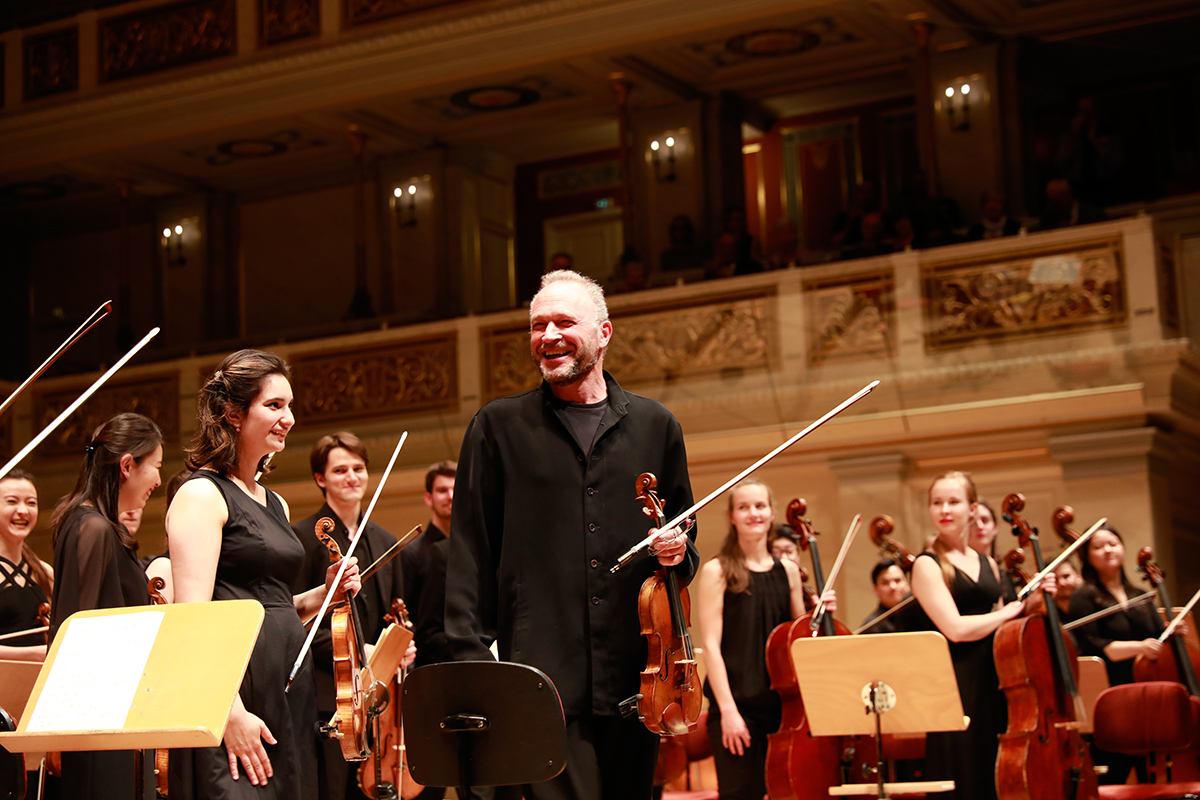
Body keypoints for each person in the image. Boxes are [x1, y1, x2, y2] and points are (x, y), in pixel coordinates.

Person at [445, 269, 697, 800]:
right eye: (539, 325)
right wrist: (475, 668)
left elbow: (685, 546)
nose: (548, 335)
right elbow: (470, 555)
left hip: (639, 680)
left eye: (564, 322)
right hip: (541, 683)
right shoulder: (497, 427)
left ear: (603, 334)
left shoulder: (657, 427)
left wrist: (677, 553)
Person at [168, 349, 360, 800]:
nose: (289, 417)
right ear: (234, 414)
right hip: (234, 692)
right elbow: (189, 618)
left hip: (287, 691)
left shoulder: (275, 503)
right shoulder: (202, 494)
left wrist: (323, 594)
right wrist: (226, 710)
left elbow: (272, 604)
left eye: (289, 406)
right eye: (274, 405)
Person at [909, 471, 1053, 800]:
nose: (944, 509)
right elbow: (956, 629)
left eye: (954, 502)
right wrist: (1009, 610)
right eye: (937, 502)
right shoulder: (927, 565)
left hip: (998, 681)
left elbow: (1005, 630)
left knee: (997, 776)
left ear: (972, 509)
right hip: (956, 685)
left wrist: (1033, 603)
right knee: (963, 776)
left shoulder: (988, 563)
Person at [291, 431, 414, 800]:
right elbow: (300, 623)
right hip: (328, 692)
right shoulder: (301, 538)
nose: (352, 477)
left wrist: (401, 646)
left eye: (358, 468)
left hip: (376, 696)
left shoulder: (385, 539)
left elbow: (395, 611)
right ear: (320, 479)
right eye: (340, 469)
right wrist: (362, 649)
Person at [49, 412, 164, 800]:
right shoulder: (92, 527)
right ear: (128, 465)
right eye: (156, 467)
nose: (159, 480)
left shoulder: (93, 523)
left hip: (110, 713)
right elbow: (76, 636)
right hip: (99, 719)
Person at [696, 479, 808, 800]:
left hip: (782, 711)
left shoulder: (787, 571)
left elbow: (796, 637)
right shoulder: (718, 570)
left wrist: (820, 612)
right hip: (737, 709)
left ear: (772, 513)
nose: (753, 513)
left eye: (760, 506)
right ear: (731, 516)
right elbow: (712, 647)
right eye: (743, 507)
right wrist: (729, 711)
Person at [1069, 524, 1163, 783]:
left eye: (1113, 543)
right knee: (1115, 774)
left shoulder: (1140, 596)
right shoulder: (1084, 597)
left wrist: (1173, 635)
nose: (1107, 550)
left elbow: (1158, 637)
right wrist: (1141, 647)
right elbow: (1095, 647)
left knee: (1152, 773)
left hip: (1146, 692)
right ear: (1087, 556)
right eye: (1098, 547)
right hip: (1111, 695)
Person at [0, 469, 53, 663]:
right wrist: (36, 654)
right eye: (12, 501)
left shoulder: (45, 573)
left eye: (31, 503)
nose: (23, 511)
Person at [399, 460, 455, 624]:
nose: (451, 496)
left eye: (456, 489)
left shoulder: (476, 548)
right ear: (429, 498)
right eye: (442, 490)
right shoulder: (411, 552)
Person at [968, 497, 1018, 602]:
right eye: (972, 522)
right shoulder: (961, 576)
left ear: (995, 527)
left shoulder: (1005, 576)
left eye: (985, 520)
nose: (980, 526)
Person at [859, 558, 912, 634]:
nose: (893, 587)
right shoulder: (872, 626)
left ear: (908, 583)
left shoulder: (921, 614)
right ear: (876, 589)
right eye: (885, 583)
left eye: (897, 580)